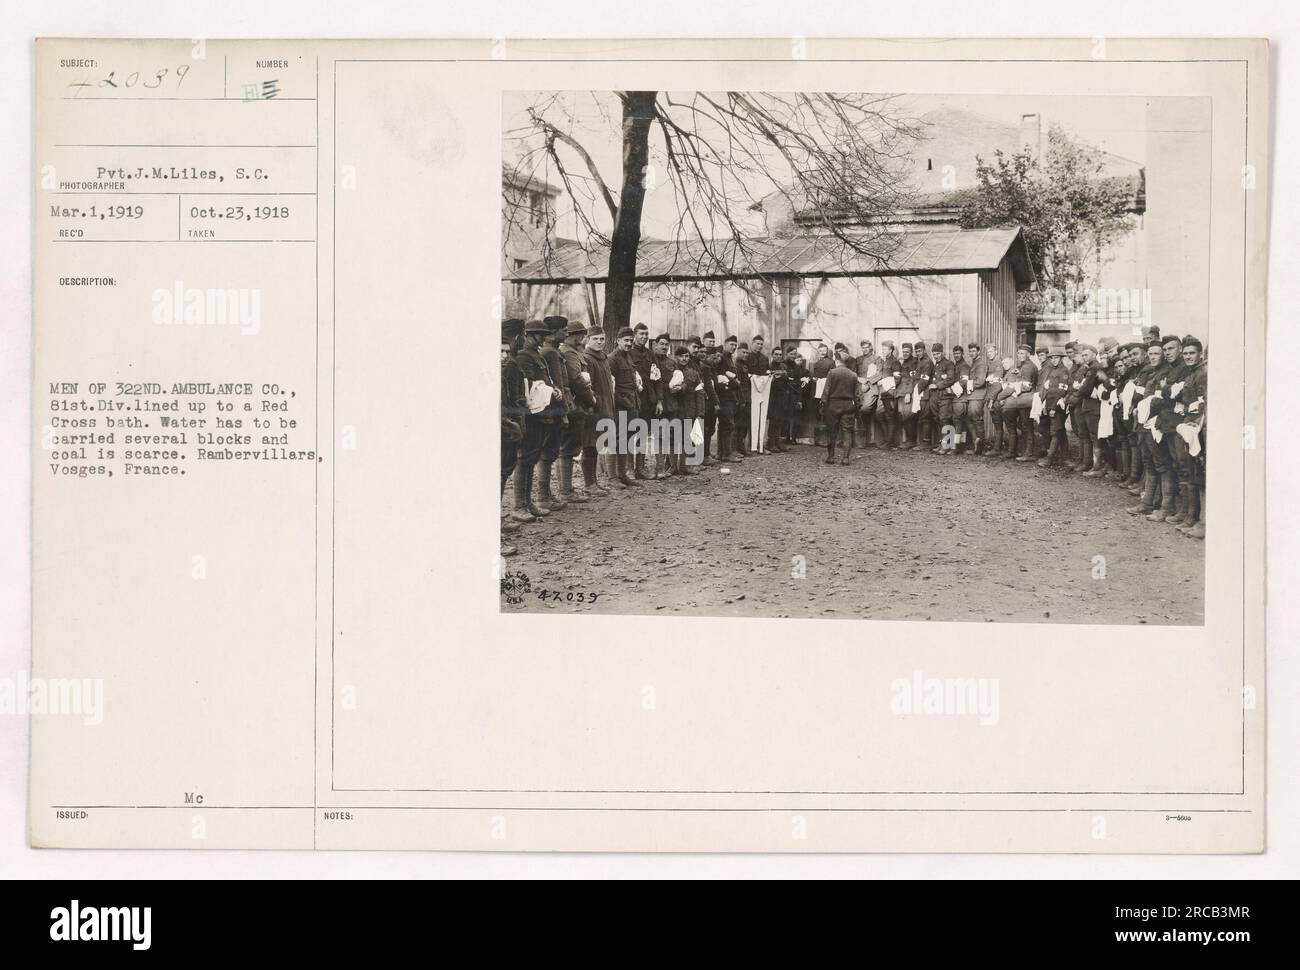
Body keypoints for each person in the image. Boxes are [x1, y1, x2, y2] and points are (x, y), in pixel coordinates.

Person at [515, 319, 561, 518]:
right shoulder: (524, 356)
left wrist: (553, 389)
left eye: (544, 335)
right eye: (540, 335)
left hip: (542, 411)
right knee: (525, 459)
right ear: (529, 335)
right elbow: (528, 384)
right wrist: (551, 389)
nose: (543, 338)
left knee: (532, 457)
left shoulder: (535, 354)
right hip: (532, 414)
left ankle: (528, 503)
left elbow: (544, 379)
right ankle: (519, 506)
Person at [556, 319, 595, 504]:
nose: (581, 337)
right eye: (578, 334)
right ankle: (565, 490)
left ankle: (566, 488)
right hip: (575, 405)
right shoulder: (570, 354)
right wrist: (591, 398)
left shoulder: (573, 352)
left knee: (569, 448)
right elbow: (577, 380)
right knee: (568, 449)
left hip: (576, 405)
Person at [500, 319, 528, 553]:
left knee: (503, 471)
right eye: (523, 335)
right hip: (504, 425)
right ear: (517, 337)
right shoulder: (506, 362)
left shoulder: (508, 360)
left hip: (508, 422)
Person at [580, 327, 616, 497]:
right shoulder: (587, 358)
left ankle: (594, 482)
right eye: (596, 339)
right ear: (588, 339)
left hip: (605, 408)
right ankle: (589, 483)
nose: (600, 342)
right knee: (589, 446)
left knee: (595, 446)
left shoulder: (603, 358)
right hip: (593, 410)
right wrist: (595, 403)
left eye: (602, 339)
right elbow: (588, 387)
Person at [628, 322, 659, 482]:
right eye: (641, 334)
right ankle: (628, 470)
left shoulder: (650, 354)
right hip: (633, 400)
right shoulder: (629, 353)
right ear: (634, 335)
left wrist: (658, 400)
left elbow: (657, 378)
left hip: (648, 400)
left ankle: (640, 468)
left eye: (646, 334)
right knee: (629, 434)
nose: (644, 337)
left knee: (642, 434)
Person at [1034, 346, 1072, 467]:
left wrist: (1054, 408)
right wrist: (1045, 404)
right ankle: (1061, 456)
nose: (1054, 360)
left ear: (1061, 358)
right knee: (1051, 429)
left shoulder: (1064, 371)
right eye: (1052, 358)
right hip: (1049, 402)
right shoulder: (1051, 370)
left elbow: (1061, 391)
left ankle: (1050, 459)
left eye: (1056, 358)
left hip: (1058, 405)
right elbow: (1048, 389)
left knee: (1055, 431)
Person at [999, 344, 1039, 461]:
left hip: (1026, 400)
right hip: (1022, 400)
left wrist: (1014, 389)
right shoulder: (1023, 366)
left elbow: (1026, 387)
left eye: (1022, 353)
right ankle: (1023, 451)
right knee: (1024, 426)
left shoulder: (1028, 367)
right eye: (1018, 353)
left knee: (1027, 427)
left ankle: (1029, 453)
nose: (1020, 355)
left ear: (1028, 354)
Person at [821, 349, 861, 465]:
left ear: (836, 360)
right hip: (848, 406)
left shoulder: (832, 373)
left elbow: (826, 391)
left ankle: (831, 457)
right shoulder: (853, 375)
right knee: (847, 432)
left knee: (832, 431)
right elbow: (856, 395)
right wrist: (857, 408)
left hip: (833, 406)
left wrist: (822, 405)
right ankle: (845, 458)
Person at [650, 332, 677, 478]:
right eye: (662, 344)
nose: (664, 347)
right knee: (660, 435)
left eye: (667, 344)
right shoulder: (650, 360)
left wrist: (681, 387)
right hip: (656, 405)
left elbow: (680, 378)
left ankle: (671, 466)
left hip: (671, 404)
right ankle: (659, 468)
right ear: (655, 344)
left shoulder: (672, 363)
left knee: (672, 434)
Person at [714, 335, 743, 462]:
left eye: (735, 345)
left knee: (725, 425)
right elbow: (719, 377)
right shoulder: (722, 358)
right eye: (731, 344)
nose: (734, 347)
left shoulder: (730, 358)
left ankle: (721, 453)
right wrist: (735, 383)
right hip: (725, 396)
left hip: (731, 397)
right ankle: (727, 453)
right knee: (728, 425)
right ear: (725, 344)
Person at [925, 342, 956, 456]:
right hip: (935, 397)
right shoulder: (935, 365)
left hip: (944, 397)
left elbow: (950, 380)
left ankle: (947, 446)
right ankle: (942, 443)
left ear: (942, 353)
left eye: (938, 353)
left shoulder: (949, 364)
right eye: (934, 354)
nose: (936, 356)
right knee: (937, 419)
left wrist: (937, 385)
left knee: (945, 419)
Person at [855, 339, 884, 448]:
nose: (865, 349)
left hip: (872, 388)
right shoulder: (858, 360)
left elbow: (879, 373)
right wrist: (859, 379)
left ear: (871, 347)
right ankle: (861, 440)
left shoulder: (877, 359)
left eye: (867, 347)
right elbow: (854, 373)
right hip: (859, 388)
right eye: (863, 347)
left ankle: (876, 440)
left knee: (866, 409)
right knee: (857, 411)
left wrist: (868, 381)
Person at [767, 347, 792, 453]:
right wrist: (781, 376)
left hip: (782, 396)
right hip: (773, 397)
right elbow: (769, 380)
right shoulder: (769, 366)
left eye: (780, 354)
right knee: (773, 420)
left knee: (780, 420)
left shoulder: (784, 366)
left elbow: (787, 379)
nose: (778, 356)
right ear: (772, 355)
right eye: (776, 354)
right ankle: (771, 443)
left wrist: (782, 375)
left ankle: (778, 442)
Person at [877, 340, 901, 449]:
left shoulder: (894, 362)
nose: (883, 351)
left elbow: (897, 379)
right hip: (883, 393)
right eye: (882, 349)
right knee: (879, 415)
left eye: (885, 349)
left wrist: (884, 382)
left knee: (890, 417)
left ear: (891, 350)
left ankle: (889, 442)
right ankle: (888, 440)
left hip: (890, 393)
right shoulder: (884, 361)